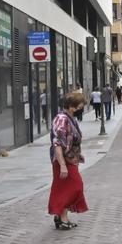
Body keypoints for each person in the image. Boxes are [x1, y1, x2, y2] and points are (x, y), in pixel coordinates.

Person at [49, 92, 89, 230]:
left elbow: (73, 140)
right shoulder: (62, 119)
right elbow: (58, 143)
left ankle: (60, 216)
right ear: (72, 106)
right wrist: (62, 165)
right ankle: (62, 217)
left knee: (65, 188)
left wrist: (79, 154)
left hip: (71, 159)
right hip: (63, 161)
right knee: (75, 186)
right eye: (80, 106)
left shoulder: (70, 118)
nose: (81, 108)